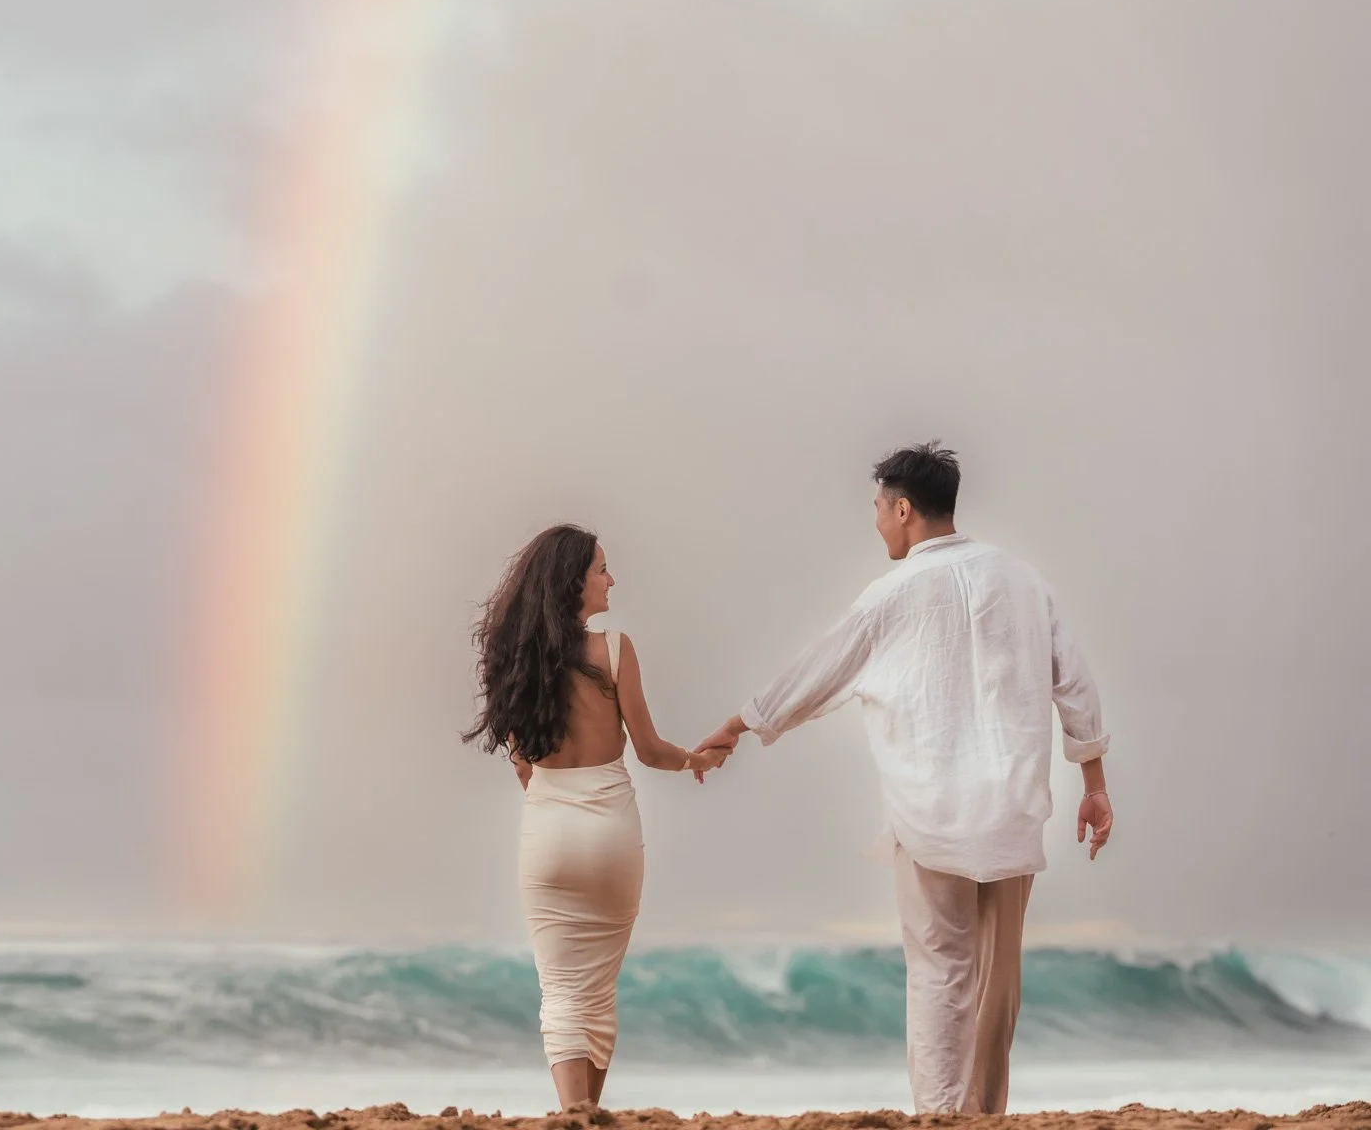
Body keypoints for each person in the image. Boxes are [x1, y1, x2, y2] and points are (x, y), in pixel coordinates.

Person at [696, 442, 1115, 1116]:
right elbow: (1076, 683)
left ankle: (941, 1110)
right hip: (1012, 806)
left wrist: (741, 725)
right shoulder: (1022, 579)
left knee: (940, 968)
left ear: (902, 508)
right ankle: (983, 1110)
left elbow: (820, 669)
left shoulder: (893, 594)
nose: (877, 524)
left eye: (877, 510)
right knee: (996, 972)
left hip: (932, 812)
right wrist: (1094, 784)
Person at [465, 524, 726, 1110]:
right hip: (611, 830)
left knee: (560, 990)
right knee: (597, 988)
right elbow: (652, 751)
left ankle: (573, 1115)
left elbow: (523, 766)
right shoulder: (613, 649)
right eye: (602, 569)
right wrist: (697, 760)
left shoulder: (514, 660)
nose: (612, 579)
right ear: (572, 582)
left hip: (548, 832)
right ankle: (585, 1115)